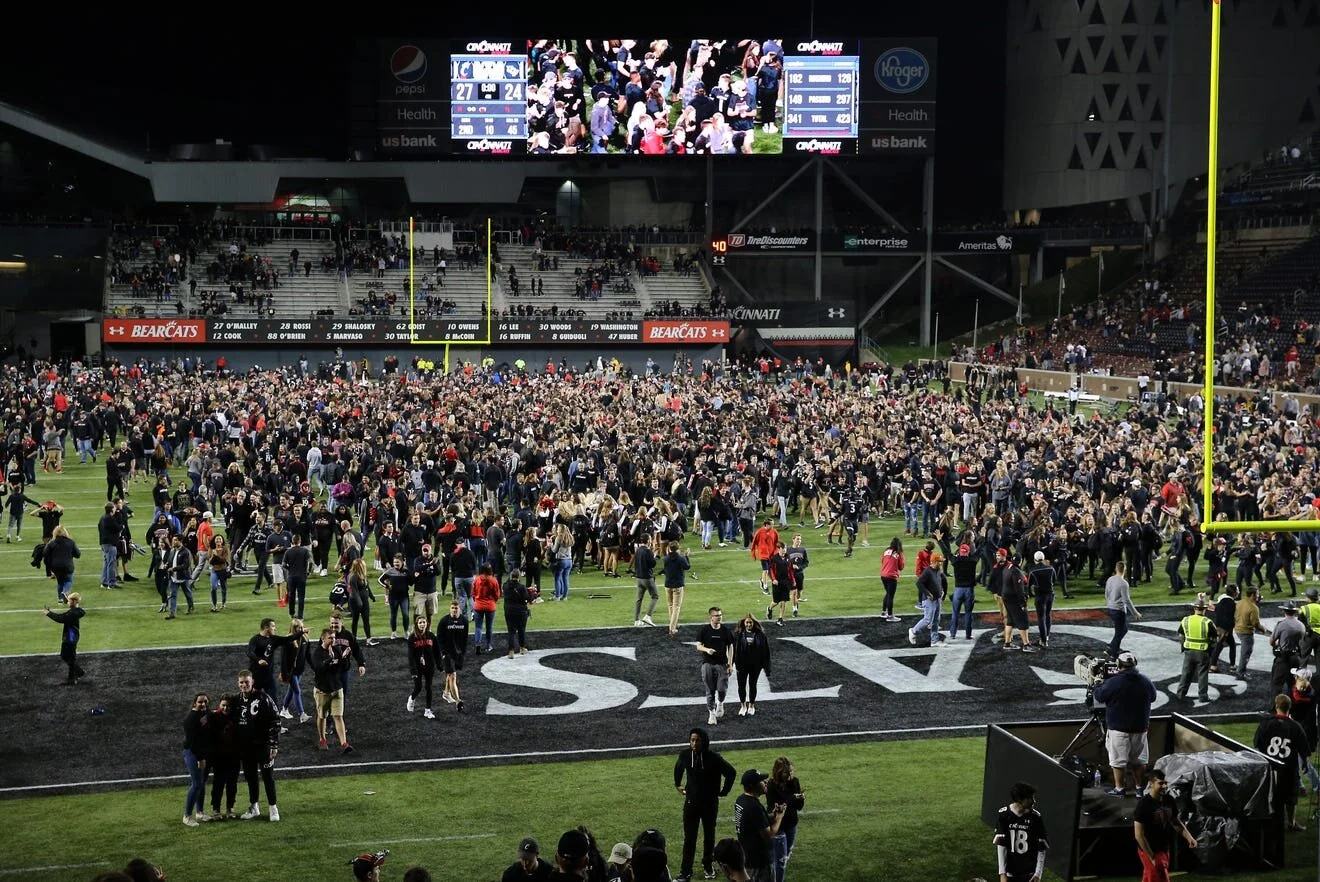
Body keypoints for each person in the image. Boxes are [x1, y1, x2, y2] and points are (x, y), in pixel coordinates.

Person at [674, 726, 736, 882]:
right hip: (691, 803)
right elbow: (678, 767)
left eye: (698, 741)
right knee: (689, 838)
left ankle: (708, 864)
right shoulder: (685, 755)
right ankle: (685, 872)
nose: (694, 744)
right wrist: (677, 784)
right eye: (692, 740)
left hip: (709, 804)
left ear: (704, 742)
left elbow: (731, 772)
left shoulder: (714, 758)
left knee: (709, 836)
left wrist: (724, 791)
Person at [1092, 651, 1157, 797]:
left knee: (1118, 761)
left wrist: (1096, 684)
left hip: (1119, 728)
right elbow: (1152, 697)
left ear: (1118, 665)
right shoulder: (1145, 681)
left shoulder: (1113, 682)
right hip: (1140, 728)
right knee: (1139, 760)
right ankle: (1140, 789)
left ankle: (1120, 788)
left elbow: (1100, 696)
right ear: (1135, 664)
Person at [1254, 693, 1311, 832]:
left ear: (1276, 706)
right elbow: (1304, 750)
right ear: (1289, 708)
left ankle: (1270, 823)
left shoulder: (1266, 724)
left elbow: (1257, 745)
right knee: (1291, 798)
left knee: (1270, 795)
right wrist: (1304, 763)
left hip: (1270, 768)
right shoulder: (1295, 727)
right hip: (1289, 769)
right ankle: (1291, 822)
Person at [1133, 768, 1197, 881]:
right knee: (1160, 877)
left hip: (1164, 848)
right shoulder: (1144, 804)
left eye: (1165, 783)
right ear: (1151, 784)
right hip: (1149, 849)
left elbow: (1175, 822)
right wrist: (1151, 856)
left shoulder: (1169, 800)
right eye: (1160, 783)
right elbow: (1139, 835)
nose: (1164, 786)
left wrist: (1189, 837)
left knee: (1150, 877)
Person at [235, 669, 281, 821]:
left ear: (252, 682)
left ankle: (273, 808)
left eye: (246, 682)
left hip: (263, 746)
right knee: (251, 777)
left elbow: (275, 720)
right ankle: (254, 807)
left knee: (268, 777)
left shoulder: (263, 698)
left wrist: (273, 744)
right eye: (241, 682)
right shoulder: (236, 700)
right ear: (238, 683)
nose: (244, 685)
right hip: (246, 748)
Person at [732, 769, 786, 882]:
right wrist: (779, 817)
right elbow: (769, 834)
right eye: (762, 781)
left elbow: (755, 822)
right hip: (759, 861)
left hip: (747, 856)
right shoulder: (753, 806)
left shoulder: (741, 800)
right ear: (753, 785)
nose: (765, 782)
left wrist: (773, 815)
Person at [992, 781, 1048, 882]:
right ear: (1019, 799)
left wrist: (1038, 874)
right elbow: (1001, 846)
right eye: (1030, 798)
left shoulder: (1036, 817)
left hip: (1029, 874)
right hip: (1010, 872)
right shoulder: (1004, 815)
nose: (1034, 801)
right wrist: (1002, 873)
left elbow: (1041, 848)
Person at [310, 627, 353, 753]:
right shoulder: (317, 653)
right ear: (323, 638)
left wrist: (345, 658)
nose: (333, 640)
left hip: (336, 689)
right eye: (330, 638)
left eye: (334, 637)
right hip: (322, 690)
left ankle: (344, 743)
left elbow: (343, 668)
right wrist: (330, 659)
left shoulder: (337, 649)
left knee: (338, 716)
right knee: (322, 716)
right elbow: (319, 669)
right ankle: (322, 739)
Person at [764, 757, 804, 882]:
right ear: (778, 772)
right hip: (778, 826)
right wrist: (792, 798)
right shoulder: (771, 786)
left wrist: (801, 799)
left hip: (792, 824)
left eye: (791, 771)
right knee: (780, 861)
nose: (790, 774)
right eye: (787, 772)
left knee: (785, 857)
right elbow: (775, 809)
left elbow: (799, 807)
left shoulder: (795, 782)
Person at [696, 606, 736, 726]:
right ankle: (712, 713)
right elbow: (698, 646)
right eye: (717, 615)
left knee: (722, 689)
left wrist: (730, 663)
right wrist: (707, 650)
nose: (720, 617)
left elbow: (731, 647)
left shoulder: (725, 630)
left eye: (720, 615)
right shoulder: (704, 630)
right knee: (710, 691)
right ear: (711, 617)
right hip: (707, 664)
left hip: (722, 665)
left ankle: (720, 702)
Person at [1175, 598, 1217, 702]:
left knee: (1186, 673)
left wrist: (1183, 647)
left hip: (1189, 651)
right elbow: (1214, 638)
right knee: (1202, 674)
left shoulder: (1186, 620)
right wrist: (1210, 650)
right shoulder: (1207, 622)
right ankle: (1203, 696)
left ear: (1195, 608)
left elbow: (1181, 634)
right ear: (1204, 609)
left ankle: (1180, 694)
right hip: (1203, 652)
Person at [182, 692, 213, 827]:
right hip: (193, 753)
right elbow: (193, 742)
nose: (203, 704)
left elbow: (211, 716)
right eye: (200, 702)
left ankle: (199, 812)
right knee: (196, 784)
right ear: (194, 703)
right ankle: (187, 816)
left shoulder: (205, 713)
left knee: (202, 782)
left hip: (202, 753)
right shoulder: (190, 719)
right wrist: (200, 759)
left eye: (205, 702)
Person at [733, 612, 771, 716]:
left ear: (754, 623)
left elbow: (766, 651)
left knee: (752, 685)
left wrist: (767, 668)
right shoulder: (738, 634)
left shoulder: (760, 635)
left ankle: (752, 705)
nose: (748, 624)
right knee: (741, 686)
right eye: (747, 622)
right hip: (741, 665)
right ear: (743, 623)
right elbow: (733, 650)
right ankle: (743, 706)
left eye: (750, 622)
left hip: (755, 665)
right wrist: (731, 664)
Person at [42, 592, 85, 684]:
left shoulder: (72, 613)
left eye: (69, 601)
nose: (67, 602)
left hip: (70, 636)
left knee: (69, 656)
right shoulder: (77, 610)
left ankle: (72, 678)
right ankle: (78, 672)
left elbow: (61, 618)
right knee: (66, 655)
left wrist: (49, 613)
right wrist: (66, 598)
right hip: (72, 634)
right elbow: (69, 607)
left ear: (73, 601)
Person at [1271, 601, 1307, 700]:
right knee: (1292, 684)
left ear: (1284, 610)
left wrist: (1276, 647)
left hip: (1283, 658)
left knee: (1277, 684)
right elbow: (1302, 642)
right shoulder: (1301, 625)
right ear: (1294, 612)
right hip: (1296, 657)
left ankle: (1275, 708)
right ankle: (1292, 706)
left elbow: (1272, 641)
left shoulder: (1281, 624)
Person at [438, 599, 469, 712]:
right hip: (447, 653)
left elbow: (465, 639)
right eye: (452, 608)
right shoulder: (444, 621)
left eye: (456, 608)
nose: (454, 610)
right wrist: (442, 653)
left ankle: (446, 693)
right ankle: (458, 701)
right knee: (453, 676)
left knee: (450, 675)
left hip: (458, 653)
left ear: (459, 609)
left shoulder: (464, 621)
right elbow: (439, 639)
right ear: (450, 609)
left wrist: (463, 653)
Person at [910, 550, 947, 646]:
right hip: (929, 600)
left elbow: (939, 581)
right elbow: (919, 583)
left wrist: (941, 590)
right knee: (927, 620)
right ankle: (913, 631)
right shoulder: (927, 571)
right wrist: (927, 593)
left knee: (936, 620)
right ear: (934, 562)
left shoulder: (938, 570)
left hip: (937, 599)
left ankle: (934, 641)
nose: (941, 563)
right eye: (940, 561)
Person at [1105, 561, 1141, 658]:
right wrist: (1135, 613)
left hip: (1111, 608)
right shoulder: (1124, 583)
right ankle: (1114, 654)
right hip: (1119, 611)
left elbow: (1106, 594)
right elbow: (1126, 600)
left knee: (1123, 629)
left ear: (1116, 569)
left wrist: (1110, 604)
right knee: (1119, 632)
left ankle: (1112, 646)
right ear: (1124, 569)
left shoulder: (1110, 579)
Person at [407, 614, 439, 719]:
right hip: (417, 667)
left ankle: (428, 710)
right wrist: (413, 670)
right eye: (420, 622)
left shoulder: (431, 636)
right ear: (416, 624)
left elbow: (437, 651)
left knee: (428, 687)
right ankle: (412, 698)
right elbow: (410, 656)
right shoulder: (412, 638)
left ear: (427, 623)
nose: (422, 624)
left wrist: (440, 665)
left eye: (424, 622)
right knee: (418, 687)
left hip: (429, 666)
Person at [1235, 585, 1268, 678]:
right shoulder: (1253, 608)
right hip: (1246, 632)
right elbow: (1255, 624)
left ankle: (1240, 671)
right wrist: (1263, 630)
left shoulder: (1239, 602)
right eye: (1257, 594)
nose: (1258, 595)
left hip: (1237, 629)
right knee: (1245, 653)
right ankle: (1241, 673)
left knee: (1244, 652)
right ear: (1253, 595)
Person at [43, 524, 79, 605]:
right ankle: (65, 592)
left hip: (56, 567)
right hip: (68, 565)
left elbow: (45, 554)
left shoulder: (51, 543)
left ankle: (60, 599)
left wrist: (49, 569)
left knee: (60, 582)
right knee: (69, 581)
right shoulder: (71, 542)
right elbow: (78, 554)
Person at [503, 567, 533, 658]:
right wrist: (531, 593)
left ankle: (511, 651)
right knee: (521, 630)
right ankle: (522, 648)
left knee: (511, 631)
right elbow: (528, 598)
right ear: (519, 576)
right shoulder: (522, 587)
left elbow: (507, 585)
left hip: (509, 611)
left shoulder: (505, 585)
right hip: (521, 611)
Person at [664, 541, 691, 638]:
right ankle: (672, 628)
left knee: (670, 605)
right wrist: (687, 556)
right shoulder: (680, 558)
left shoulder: (666, 558)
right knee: (676, 607)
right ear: (678, 548)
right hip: (677, 585)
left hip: (667, 585)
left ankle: (673, 623)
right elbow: (687, 567)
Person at [472, 562, 501, 653]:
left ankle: (478, 645)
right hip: (490, 606)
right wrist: (493, 602)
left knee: (478, 627)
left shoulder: (477, 579)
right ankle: (488, 646)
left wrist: (477, 601)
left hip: (478, 606)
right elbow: (497, 594)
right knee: (489, 627)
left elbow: (473, 593)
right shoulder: (493, 580)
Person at [633, 536, 659, 627]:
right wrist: (654, 554)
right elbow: (653, 564)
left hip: (639, 578)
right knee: (655, 596)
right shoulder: (647, 551)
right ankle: (648, 616)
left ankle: (636, 620)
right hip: (647, 578)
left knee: (639, 599)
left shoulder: (638, 550)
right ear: (648, 541)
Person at [879, 538, 904, 622]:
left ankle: (883, 612)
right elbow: (901, 567)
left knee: (888, 593)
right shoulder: (898, 554)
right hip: (891, 576)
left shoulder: (886, 551)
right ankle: (890, 616)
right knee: (890, 596)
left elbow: (882, 561)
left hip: (883, 575)